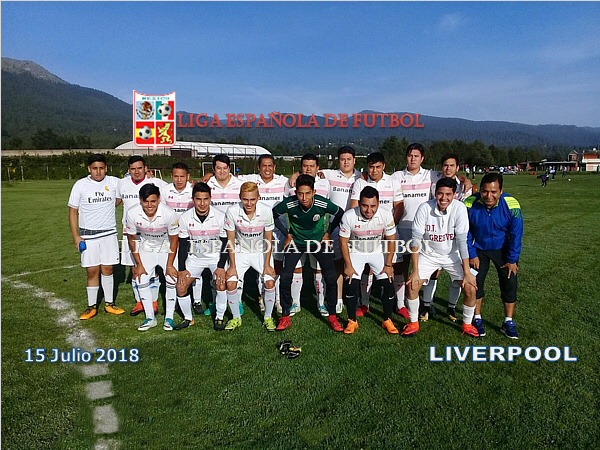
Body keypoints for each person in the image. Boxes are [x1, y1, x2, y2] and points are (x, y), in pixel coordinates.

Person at [403, 177, 479, 337]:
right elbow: (415, 240)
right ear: (435, 193)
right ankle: (413, 323)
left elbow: (462, 241)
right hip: (428, 254)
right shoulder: (424, 208)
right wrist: (415, 271)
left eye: (448, 194)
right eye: (440, 194)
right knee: (412, 285)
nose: (444, 198)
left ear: (454, 195)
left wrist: (467, 272)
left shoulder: (459, 208)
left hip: (453, 256)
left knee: (471, 288)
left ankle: (467, 324)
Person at [272, 174, 344, 331]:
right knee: (285, 276)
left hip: (317, 242)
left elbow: (339, 212)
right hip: (296, 242)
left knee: (330, 276)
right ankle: (285, 316)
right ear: (296, 192)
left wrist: (328, 232)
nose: (304, 198)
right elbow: (274, 214)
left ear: (314, 192)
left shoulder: (321, 203)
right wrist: (287, 234)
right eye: (300, 193)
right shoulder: (289, 203)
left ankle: (333, 316)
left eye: (307, 193)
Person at [464, 173, 523, 339]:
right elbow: (465, 231)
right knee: (475, 283)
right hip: (478, 249)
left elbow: (516, 234)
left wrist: (512, 259)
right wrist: (472, 254)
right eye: (485, 191)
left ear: (501, 191)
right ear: (480, 190)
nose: (488, 196)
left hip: (503, 249)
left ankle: (508, 322)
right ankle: (477, 318)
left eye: (493, 192)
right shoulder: (469, 203)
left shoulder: (511, 204)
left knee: (509, 283)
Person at [68, 153, 124, 319]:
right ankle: (91, 307)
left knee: (108, 269)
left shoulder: (114, 182)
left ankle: (109, 304)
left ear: (106, 168)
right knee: (92, 271)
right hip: (88, 235)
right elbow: (73, 212)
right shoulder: (80, 185)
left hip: (109, 234)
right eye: (94, 168)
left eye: (101, 168)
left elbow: (123, 195)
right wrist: (76, 237)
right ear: (89, 169)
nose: (98, 172)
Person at [350, 152, 404, 316]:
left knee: (395, 267)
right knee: (367, 268)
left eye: (378, 167)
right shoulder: (360, 182)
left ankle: (400, 304)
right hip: (366, 234)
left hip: (388, 232)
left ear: (383, 166)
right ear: (367, 167)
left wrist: (388, 229)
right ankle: (365, 303)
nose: (374, 170)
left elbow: (399, 207)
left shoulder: (393, 181)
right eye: (371, 167)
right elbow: (354, 206)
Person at [421, 153, 474, 322]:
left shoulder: (465, 187)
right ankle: (427, 305)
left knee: (456, 276)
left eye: (452, 165)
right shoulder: (434, 183)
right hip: (435, 234)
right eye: (445, 165)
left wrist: (465, 180)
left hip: (457, 235)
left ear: (457, 168)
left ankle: (451, 308)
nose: (448, 168)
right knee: (433, 273)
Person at [339, 186, 398, 334]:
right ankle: (352, 321)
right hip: (355, 252)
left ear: (378, 204)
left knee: (388, 284)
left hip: (377, 252)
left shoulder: (386, 214)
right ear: (359, 203)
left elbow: (391, 239)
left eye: (373, 206)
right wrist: (348, 266)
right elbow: (343, 242)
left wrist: (388, 264)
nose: (369, 210)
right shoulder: (349, 216)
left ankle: (387, 320)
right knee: (351, 284)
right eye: (365, 206)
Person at [237, 155, 288, 314]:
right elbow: (230, 177)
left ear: (274, 167)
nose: (267, 169)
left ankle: (277, 298)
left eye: (270, 165)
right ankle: (261, 297)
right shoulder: (251, 179)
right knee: (261, 266)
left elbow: (297, 181)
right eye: (264, 166)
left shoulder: (283, 181)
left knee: (276, 266)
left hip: (278, 232)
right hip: (258, 233)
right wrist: (209, 176)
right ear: (258, 167)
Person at [117, 155, 167, 317]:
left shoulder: (156, 183)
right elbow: (114, 201)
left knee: (152, 269)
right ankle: (140, 302)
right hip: (130, 233)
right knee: (135, 268)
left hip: (151, 233)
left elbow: (176, 187)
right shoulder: (122, 184)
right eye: (133, 169)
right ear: (128, 170)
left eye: (139, 168)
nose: (136, 171)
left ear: (146, 168)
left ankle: (153, 302)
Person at [175, 183, 229, 331]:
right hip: (195, 258)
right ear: (193, 199)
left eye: (206, 199)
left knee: (221, 283)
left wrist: (220, 266)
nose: (202, 203)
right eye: (198, 199)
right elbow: (183, 245)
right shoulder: (185, 217)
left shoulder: (220, 216)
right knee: (181, 286)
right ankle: (188, 318)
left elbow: (225, 243)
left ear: (210, 198)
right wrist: (182, 269)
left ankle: (219, 317)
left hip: (215, 257)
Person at [223, 182, 277, 331]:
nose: (249, 203)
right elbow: (230, 240)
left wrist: (267, 265)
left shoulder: (266, 210)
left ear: (258, 197)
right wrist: (232, 266)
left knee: (269, 282)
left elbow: (268, 239)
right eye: (245, 199)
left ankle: (268, 317)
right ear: (240, 197)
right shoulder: (232, 211)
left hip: (260, 251)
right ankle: (236, 318)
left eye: (252, 199)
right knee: (231, 283)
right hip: (241, 250)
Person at [125, 184, 179, 331]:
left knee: (171, 278)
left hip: (166, 248)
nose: (150, 205)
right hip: (146, 247)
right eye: (146, 201)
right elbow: (132, 239)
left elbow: (174, 240)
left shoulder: (169, 213)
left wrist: (169, 265)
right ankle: (150, 318)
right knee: (140, 278)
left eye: (153, 201)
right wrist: (138, 264)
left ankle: (169, 318)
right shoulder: (132, 213)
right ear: (140, 200)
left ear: (159, 199)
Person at [284, 154, 332, 316]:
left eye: (312, 166)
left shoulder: (325, 183)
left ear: (318, 168)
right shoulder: (291, 183)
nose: (308, 169)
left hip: (317, 236)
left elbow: (328, 207)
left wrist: (327, 232)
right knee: (297, 269)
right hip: (297, 236)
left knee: (318, 270)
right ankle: (295, 303)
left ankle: (321, 303)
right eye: (305, 165)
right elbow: (287, 207)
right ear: (301, 167)